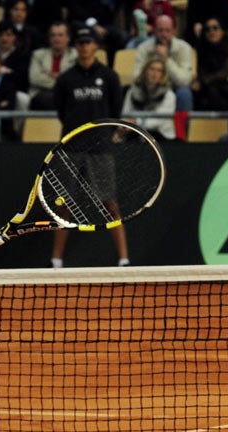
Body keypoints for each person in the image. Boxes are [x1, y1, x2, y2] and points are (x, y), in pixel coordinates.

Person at [51, 25, 128, 267]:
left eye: (89, 42)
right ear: (76, 46)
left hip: (101, 147)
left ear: (96, 46)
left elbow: (115, 111)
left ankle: (124, 258)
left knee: (109, 203)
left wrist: (102, 134)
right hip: (72, 147)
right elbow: (62, 112)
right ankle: (56, 260)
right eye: (81, 42)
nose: (85, 47)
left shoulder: (109, 77)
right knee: (65, 203)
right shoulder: (65, 80)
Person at [132, 14, 194, 112]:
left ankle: (182, 127)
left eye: (167, 30)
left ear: (174, 31)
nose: (164, 34)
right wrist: (150, 77)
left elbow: (184, 80)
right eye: (160, 30)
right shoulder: (144, 48)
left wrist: (167, 60)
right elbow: (135, 76)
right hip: (150, 88)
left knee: (184, 93)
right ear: (155, 30)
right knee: (132, 90)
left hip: (174, 87)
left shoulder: (184, 48)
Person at [190, 15, 228, 110]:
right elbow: (201, 71)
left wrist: (206, 80)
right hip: (210, 86)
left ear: (222, 31)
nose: (211, 32)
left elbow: (227, 71)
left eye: (215, 28)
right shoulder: (201, 48)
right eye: (207, 29)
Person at [123, 55, 177, 141]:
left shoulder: (169, 95)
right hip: (136, 131)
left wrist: (136, 122)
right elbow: (125, 113)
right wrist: (124, 125)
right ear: (145, 72)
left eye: (159, 71)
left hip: (161, 136)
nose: (155, 74)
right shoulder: (132, 91)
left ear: (163, 75)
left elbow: (158, 121)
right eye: (152, 69)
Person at [28, 20, 78, 110]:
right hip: (41, 93)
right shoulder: (38, 55)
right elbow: (35, 78)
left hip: (68, 94)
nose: (56, 38)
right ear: (49, 38)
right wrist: (61, 80)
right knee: (51, 98)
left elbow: (75, 79)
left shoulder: (75, 55)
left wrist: (51, 76)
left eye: (60, 35)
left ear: (68, 38)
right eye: (53, 35)